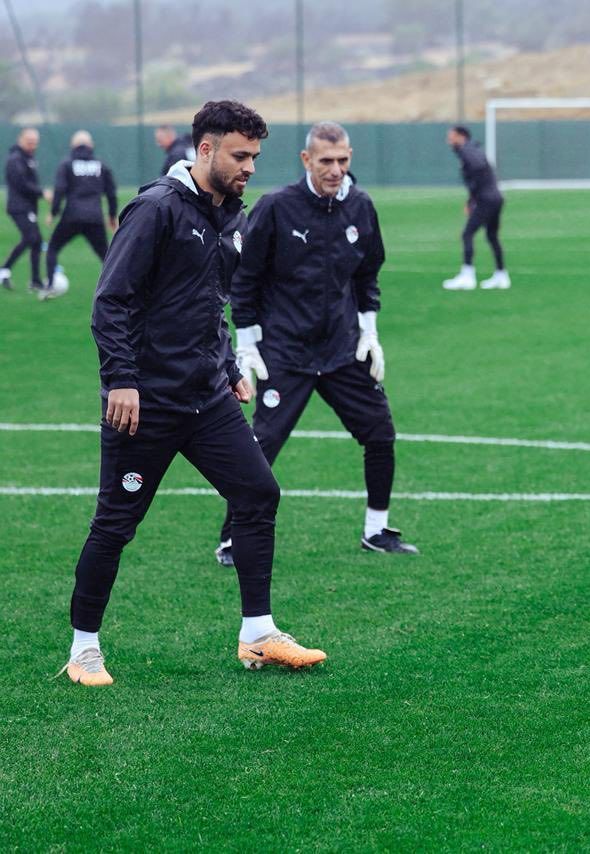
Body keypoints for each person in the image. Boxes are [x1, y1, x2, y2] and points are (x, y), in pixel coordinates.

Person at [59, 100, 325, 688]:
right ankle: (84, 649)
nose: (249, 167)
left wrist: (227, 366)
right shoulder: (156, 209)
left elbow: (210, 303)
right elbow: (111, 302)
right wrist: (121, 381)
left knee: (258, 493)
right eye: (240, 155)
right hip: (146, 403)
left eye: (255, 156)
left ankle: (258, 634)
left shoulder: (229, 213)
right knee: (116, 524)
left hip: (207, 398)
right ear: (205, 150)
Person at [215, 120, 417, 566]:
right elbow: (245, 278)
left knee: (380, 433)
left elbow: (367, 275)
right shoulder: (277, 207)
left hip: (343, 350)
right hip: (285, 351)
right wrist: (247, 343)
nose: (336, 170)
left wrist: (370, 332)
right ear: (306, 160)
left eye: (343, 160)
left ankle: (376, 530)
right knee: (261, 445)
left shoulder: (361, 206)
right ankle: (232, 538)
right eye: (326, 161)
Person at [42, 130, 118, 301]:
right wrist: (112, 216)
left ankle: (50, 286)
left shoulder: (66, 164)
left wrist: (53, 212)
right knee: (107, 257)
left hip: (71, 216)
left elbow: (60, 189)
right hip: (95, 218)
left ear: (72, 145)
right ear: (91, 145)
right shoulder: (101, 165)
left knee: (52, 248)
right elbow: (111, 193)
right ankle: (116, 289)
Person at [442, 125, 509, 291]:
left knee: (467, 234)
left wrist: (473, 200)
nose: (448, 140)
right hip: (496, 197)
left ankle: (467, 276)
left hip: (486, 199)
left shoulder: (468, 152)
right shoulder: (472, 150)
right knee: (492, 236)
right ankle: (501, 275)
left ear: (461, 136)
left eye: (451, 137)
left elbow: (478, 171)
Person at [2, 127, 51, 293]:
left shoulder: (28, 157)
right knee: (31, 238)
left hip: (28, 206)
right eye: (29, 142)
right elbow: (22, 184)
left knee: (36, 241)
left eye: (35, 142)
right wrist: (42, 192)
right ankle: (4, 269)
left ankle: (35, 281)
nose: (32, 145)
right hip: (19, 207)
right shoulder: (15, 159)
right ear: (20, 139)